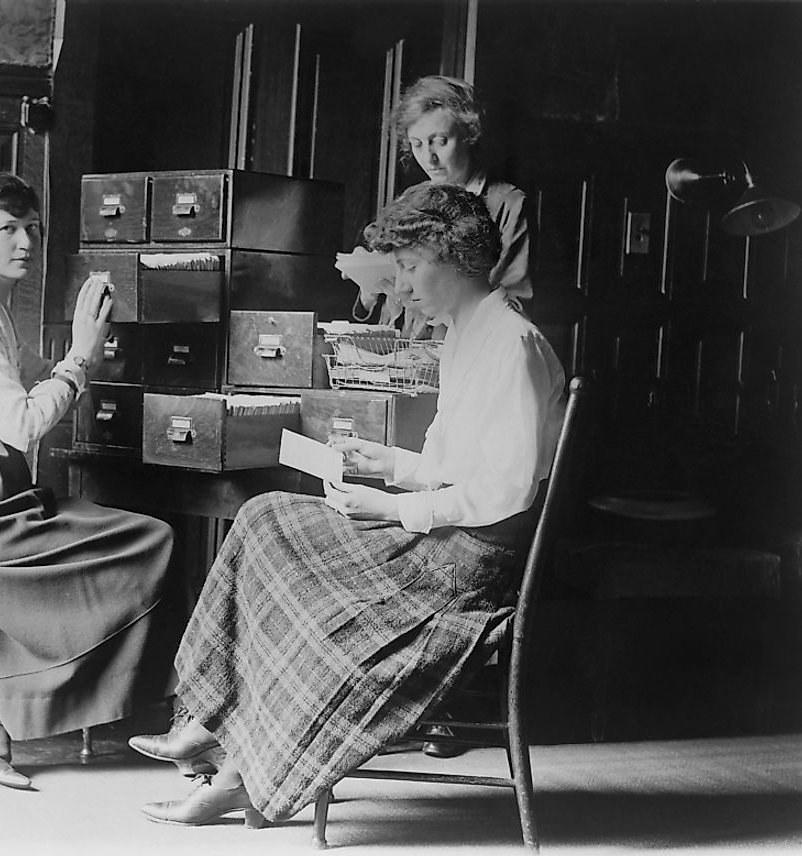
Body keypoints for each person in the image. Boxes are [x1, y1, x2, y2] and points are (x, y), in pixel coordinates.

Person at [128, 183, 565, 828]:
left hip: (471, 565)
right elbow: (457, 466)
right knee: (264, 518)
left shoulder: (513, 344)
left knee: (287, 561)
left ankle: (234, 770)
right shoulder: (466, 336)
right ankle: (211, 725)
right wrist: (385, 464)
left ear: (462, 260)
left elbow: (508, 492)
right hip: (449, 539)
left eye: (414, 266)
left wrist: (389, 510)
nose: (403, 283)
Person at [0, 172, 179, 790]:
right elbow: (21, 421)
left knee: (148, 538)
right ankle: (1, 722)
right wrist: (81, 355)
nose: (25, 241)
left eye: (32, 228)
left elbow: (22, 400)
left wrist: (87, 358)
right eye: (7, 228)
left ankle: (8, 717)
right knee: (142, 542)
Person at [348, 75, 532, 338]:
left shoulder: (507, 203)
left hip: (470, 355)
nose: (429, 158)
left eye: (440, 141)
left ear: (469, 133)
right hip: (412, 363)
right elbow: (393, 316)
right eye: (417, 145)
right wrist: (369, 290)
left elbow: (515, 307)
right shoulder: (412, 202)